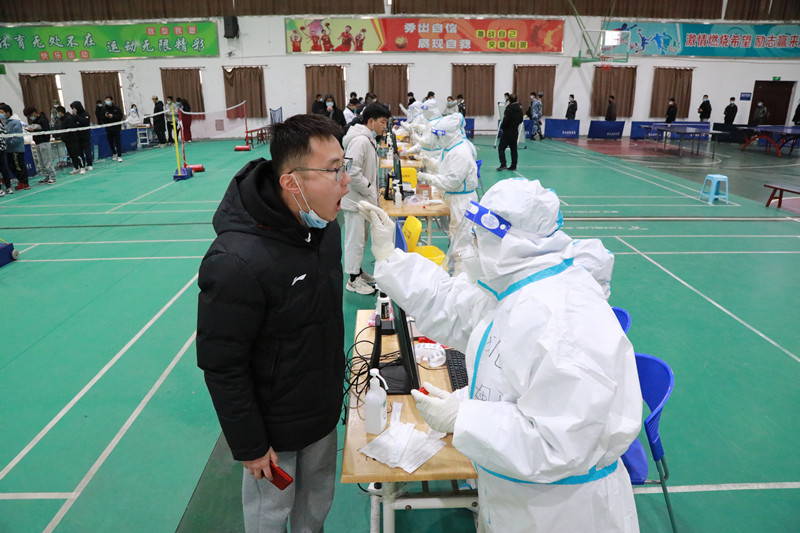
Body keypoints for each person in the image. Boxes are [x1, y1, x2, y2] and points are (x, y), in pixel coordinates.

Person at [357, 178, 642, 533]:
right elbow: (452, 307)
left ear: (509, 241)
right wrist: (390, 257)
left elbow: (558, 445)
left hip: (563, 512)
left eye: (480, 236)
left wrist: (465, 418)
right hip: (517, 497)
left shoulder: (565, 320)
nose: (472, 245)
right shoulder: (516, 287)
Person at [197, 114, 349, 533]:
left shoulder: (324, 230)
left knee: (315, 506)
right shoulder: (236, 261)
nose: (346, 181)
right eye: (333, 170)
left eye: (345, 165)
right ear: (291, 182)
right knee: (270, 515)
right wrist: (250, 444)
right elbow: (222, 363)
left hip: (320, 410)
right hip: (273, 431)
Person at [416, 113, 479, 270]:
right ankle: (457, 269)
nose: (438, 139)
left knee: (462, 243)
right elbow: (444, 167)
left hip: (462, 202)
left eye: (440, 136)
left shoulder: (460, 152)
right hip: (455, 199)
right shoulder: (451, 147)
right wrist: (430, 162)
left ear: (449, 134)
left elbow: (452, 181)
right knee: (456, 238)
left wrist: (429, 178)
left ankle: (462, 276)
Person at [341, 103, 391, 294]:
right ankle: (353, 280)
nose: (385, 126)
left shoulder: (368, 139)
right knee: (355, 241)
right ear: (371, 121)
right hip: (355, 201)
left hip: (362, 200)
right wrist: (369, 189)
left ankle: (358, 272)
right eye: (382, 122)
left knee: (362, 239)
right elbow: (351, 172)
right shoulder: (360, 141)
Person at [0, 103, 31, 192]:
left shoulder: (16, 122)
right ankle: (20, 181)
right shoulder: (5, 123)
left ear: (7, 112)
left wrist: (8, 143)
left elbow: (17, 137)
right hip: (9, 150)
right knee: (11, 167)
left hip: (16, 149)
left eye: (1, 112)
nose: (0, 114)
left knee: (19, 166)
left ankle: (25, 183)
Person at [23, 106, 57, 184]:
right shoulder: (35, 121)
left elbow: (46, 132)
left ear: (34, 112)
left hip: (44, 142)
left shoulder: (43, 120)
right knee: (41, 162)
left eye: (30, 115)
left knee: (47, 161)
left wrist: (35, 130)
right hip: (37, 143)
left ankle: (52, 176)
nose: (30, 117)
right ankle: (46, 176)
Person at [497, 93, 523, 171]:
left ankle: (503, 164)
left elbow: (506, 120)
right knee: (513, 149)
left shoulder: (509, 108)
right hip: (515, 131)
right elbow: (521, 120)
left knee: (501, 148)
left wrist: (503, 127)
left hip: (507, 131)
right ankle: (513, 166)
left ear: (510, 100)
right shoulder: (520, 108)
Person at [55, 105, 84, 175]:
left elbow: (71, 129)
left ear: (60, 112)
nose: (57, 114)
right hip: (67, 141)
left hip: (73, 140)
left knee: (76, 154)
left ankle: (82, 167)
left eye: (57, 112)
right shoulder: (62, 119)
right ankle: (76, 167)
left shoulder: (69, 118)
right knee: (71, 155)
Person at [71, 101, 94, 171]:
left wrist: (76, 116)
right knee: (80, 153)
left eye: (75, 108)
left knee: (87, 151)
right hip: (77, 137)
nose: (74, 109)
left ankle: (90, 164)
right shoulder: (74, 116)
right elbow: (73, 124)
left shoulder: (85, 114)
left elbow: (84, 122)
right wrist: (74, 117)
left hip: (85, 136)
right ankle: (82, 165)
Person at [101, 95, 124, 161]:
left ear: (112, 101)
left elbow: (120, 117)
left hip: (116, 128)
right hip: (108, 129)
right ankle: (114, 153)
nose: (107, 101)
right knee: (110, 142)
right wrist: (105, 117)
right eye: (106, 100)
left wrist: (113, 116)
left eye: (108, 100)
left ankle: (119, 156)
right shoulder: (103, 109)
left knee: (117, 142)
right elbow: (101, 119)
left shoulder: (117, 108)